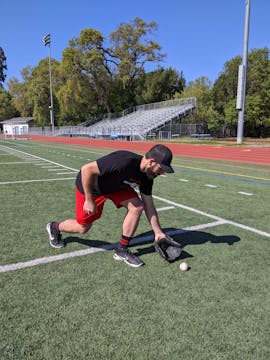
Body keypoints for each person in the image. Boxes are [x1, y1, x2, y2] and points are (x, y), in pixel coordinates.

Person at [46, 144, 174, 268]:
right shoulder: (123, 161)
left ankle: (121, 249)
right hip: (93, 188)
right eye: (161, 168)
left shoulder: (148, 176)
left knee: (137, 206)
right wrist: (89, 199)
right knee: (82, 228)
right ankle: (55, 227)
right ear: (151, 162)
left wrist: (158, 232)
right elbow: (86, 169)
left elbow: (149, 205)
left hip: (116, 188)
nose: (162, 172)